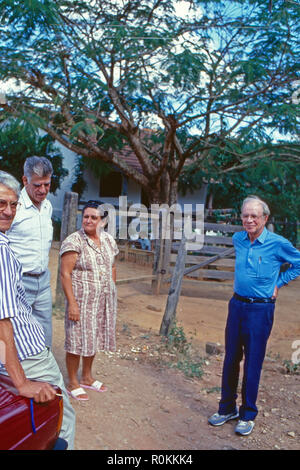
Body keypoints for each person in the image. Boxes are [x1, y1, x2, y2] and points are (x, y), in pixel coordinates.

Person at [208, 195, 300, 436]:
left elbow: (298, 262)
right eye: (245, 215)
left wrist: (279, 283)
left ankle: (248, 414)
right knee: (231, 359)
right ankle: (226, 408)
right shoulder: (239, 239)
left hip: (261, 309)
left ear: (265, 218)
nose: (249, 220)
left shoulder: (277, 243)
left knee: (253, 362)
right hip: (237, 306)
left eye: (254, 216)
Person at [0, 170, 76, 449]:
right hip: (27, 355)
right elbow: (3, 321)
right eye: (0, 204)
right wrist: (21, 382)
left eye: (12, 204)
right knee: (61, 422)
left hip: (9, 354)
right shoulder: (2, 251)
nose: (8, 212)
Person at [60, 200, 119, 401]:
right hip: (81, 301)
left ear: (102, 221)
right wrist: (72, 303)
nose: (89, 220)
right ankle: (73, 381)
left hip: (102, 302)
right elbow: (65, 274)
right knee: (76, 341)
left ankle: (86, 376)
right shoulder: (74, 241)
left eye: (94, 217)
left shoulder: (109, 241)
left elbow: (112, 265)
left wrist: (110, 288)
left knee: (93, 338)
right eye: (86, 216)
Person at [7, 156, 54, 347]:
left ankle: (43, 375)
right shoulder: (13, 208)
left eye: (47, 184)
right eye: (37, 185)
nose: (42, 190)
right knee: (15, 334)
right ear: (25, 181)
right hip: (17, 282)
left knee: (44, 333)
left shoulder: (48, 206)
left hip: (43, 282)